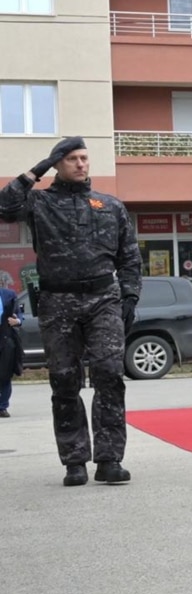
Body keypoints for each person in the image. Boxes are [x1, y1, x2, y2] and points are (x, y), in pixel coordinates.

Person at [0, 137, 141, 486]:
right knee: (64, 380)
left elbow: (129, 257)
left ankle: (109, 459)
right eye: (72, 159)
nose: (81, 164)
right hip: (57, 301)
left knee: (109, 375)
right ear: (58, 163)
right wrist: (37, 170)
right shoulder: (39, 201)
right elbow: (4, 206)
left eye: (84, 158)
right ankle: (74, 460)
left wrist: (130, 297)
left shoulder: (110, 205)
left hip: (102, 299)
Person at [0, 284, 24, 417]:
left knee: (5, 374)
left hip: (6, 339)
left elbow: (19, 314)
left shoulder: (9, 295)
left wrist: (18, 321)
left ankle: (2, 406)